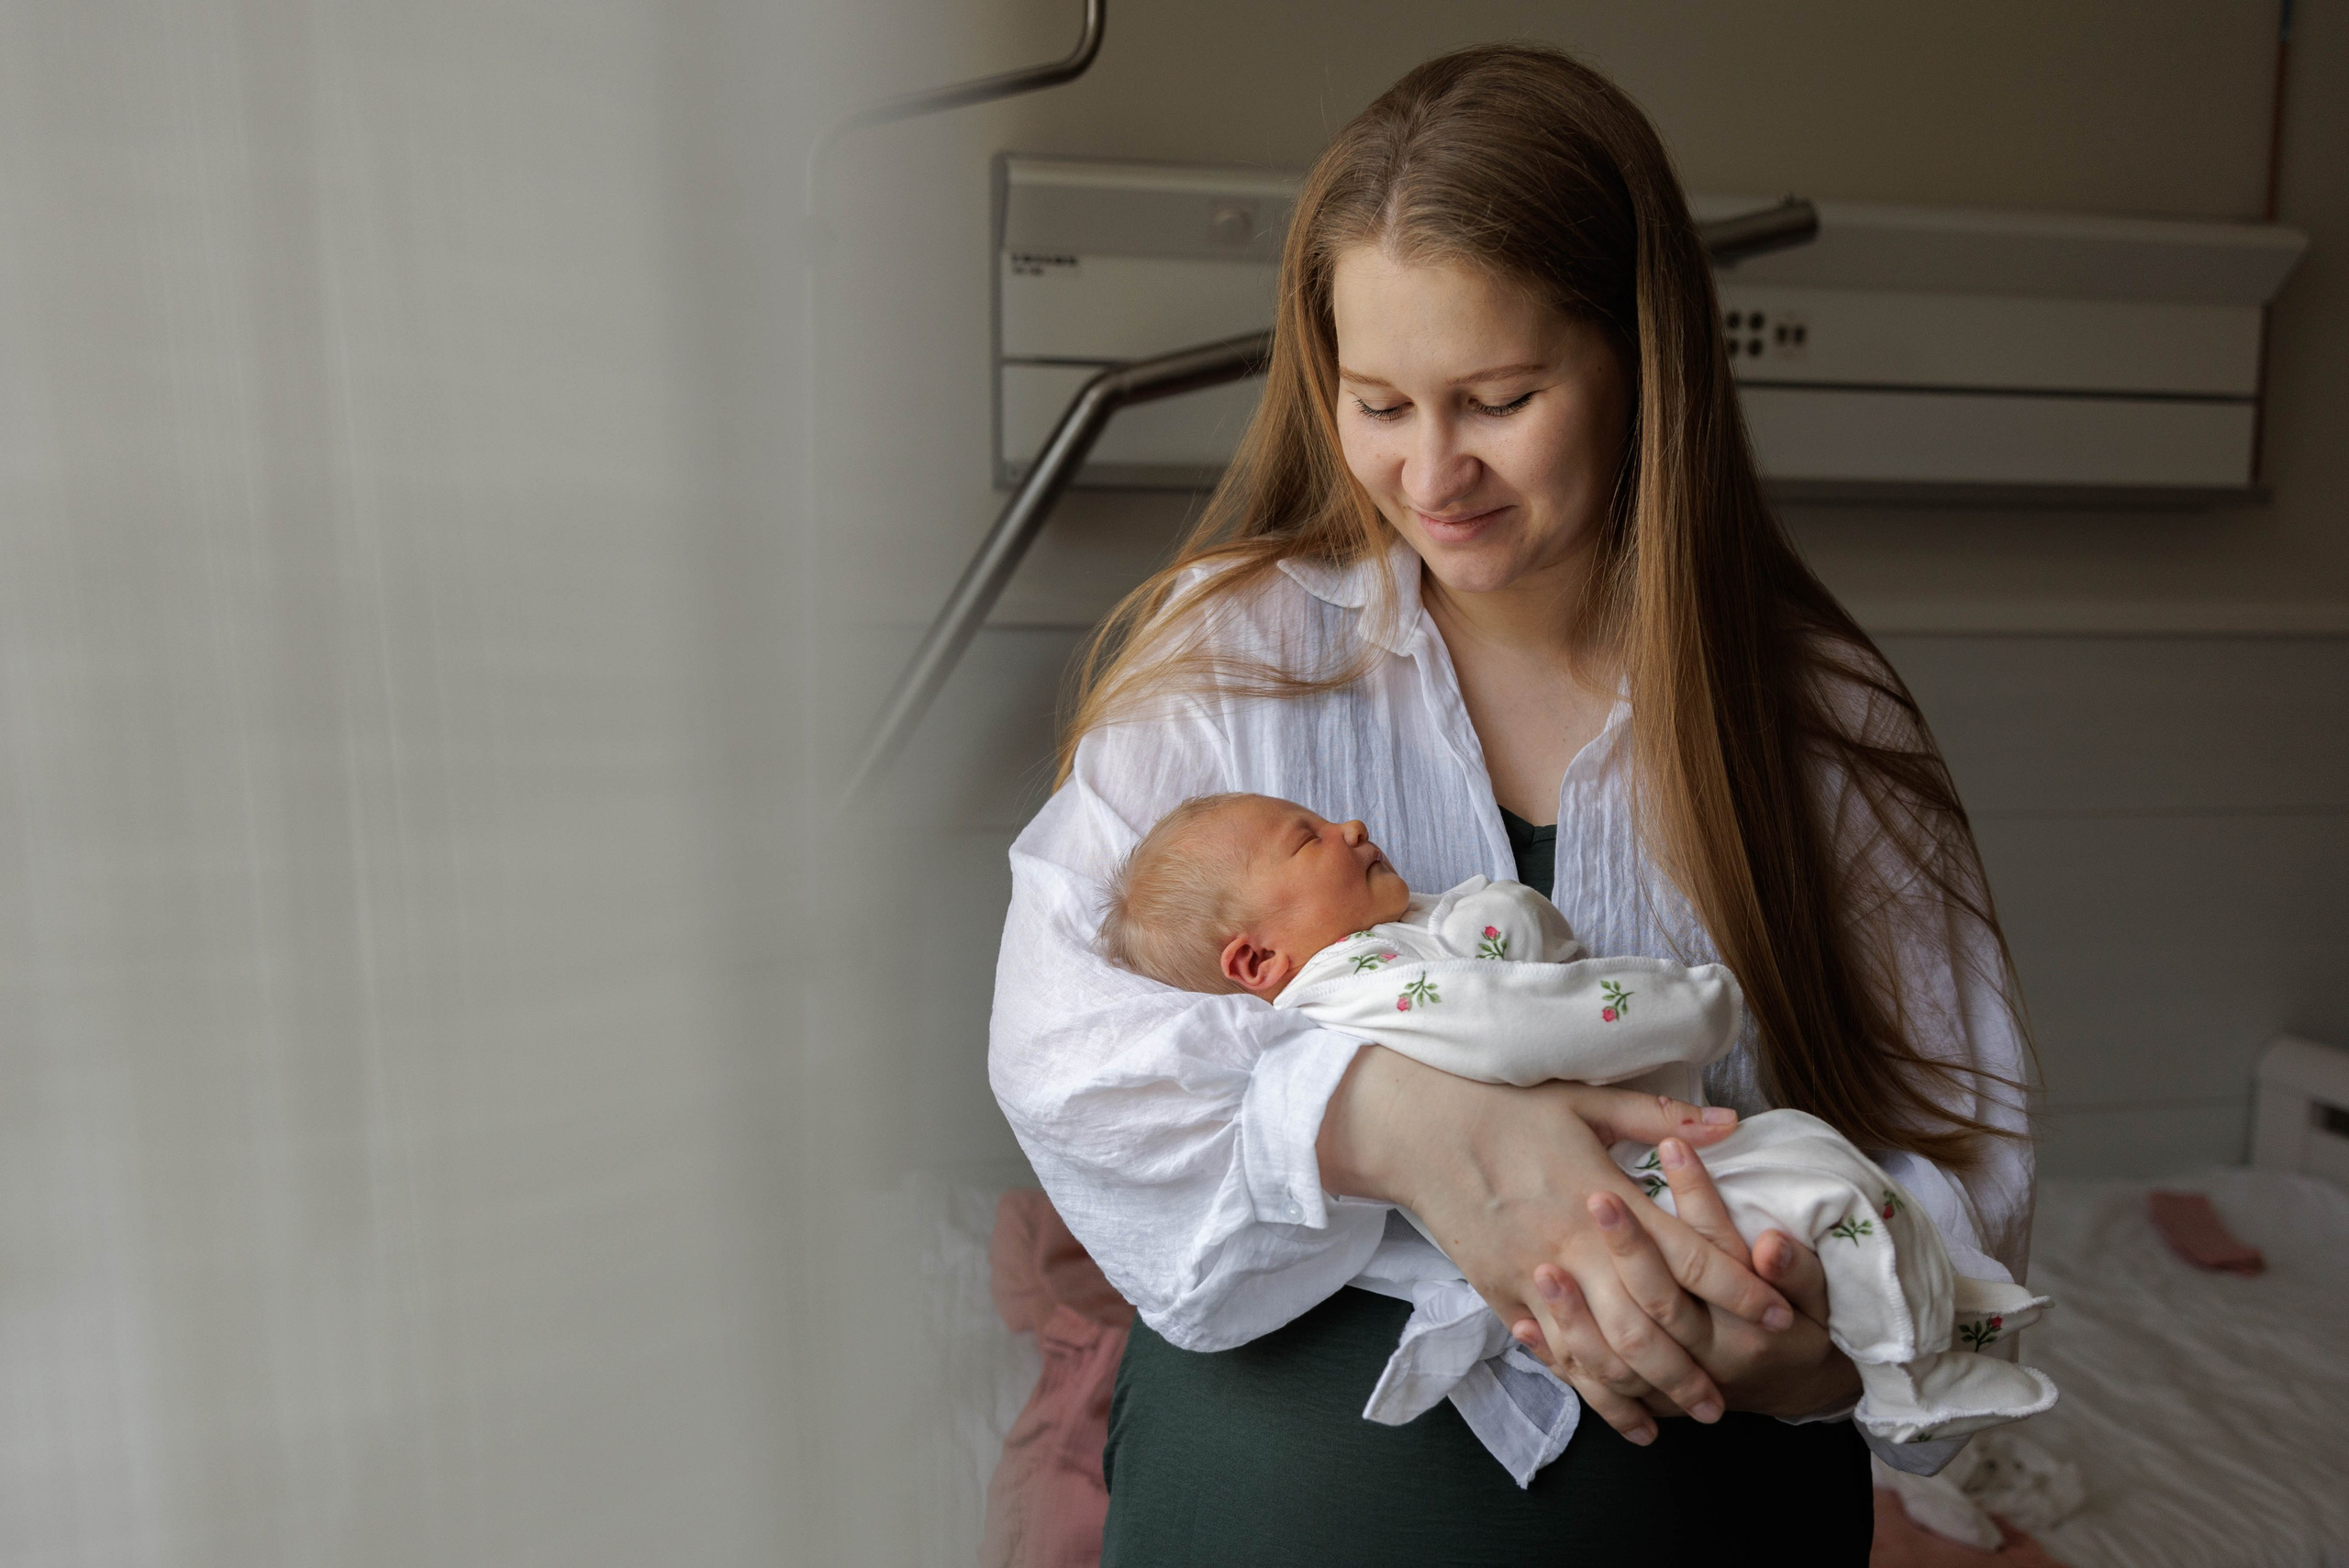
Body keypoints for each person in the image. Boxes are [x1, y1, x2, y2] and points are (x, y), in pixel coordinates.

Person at [989, 41, 2032, 1565]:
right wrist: (1401, 1119)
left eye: (1496, 397)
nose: (1432, 470)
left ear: (1641, 362)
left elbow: (1970, 1161)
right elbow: (1060, 1051)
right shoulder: (1228, 660)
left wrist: (1810, 1349)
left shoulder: (1812, 718)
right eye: (1379, 402)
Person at [1091, 791, 2055, 1487]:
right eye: (1305, 837)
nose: (1348, 824)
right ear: (1257, 958)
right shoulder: (1358, 982)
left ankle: (1939, 1330)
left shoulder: (1398, 939)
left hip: (1643, 1177)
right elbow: (1525, 1022)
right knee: (1819, 1187)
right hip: (1634, 1190)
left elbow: (1510, 954)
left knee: (1821, 1200)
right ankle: (1910, 1373)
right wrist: (1694, 1006)